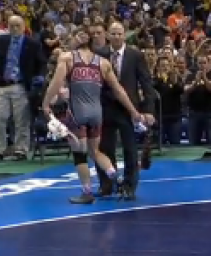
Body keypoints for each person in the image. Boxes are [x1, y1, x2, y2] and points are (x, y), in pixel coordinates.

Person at [41, 29, 153, 204]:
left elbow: (55, 84)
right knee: (96, 152)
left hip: (77, 113)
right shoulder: (103, 62)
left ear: (76, 42)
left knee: (80, 154)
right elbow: (119, 91)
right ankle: (118, 179)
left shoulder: (67, 58)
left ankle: (87, 193)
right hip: (96, 114)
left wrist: (46, 104)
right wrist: (133, 111)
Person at [94, 22, 156, 200]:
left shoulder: (135, 55)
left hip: (129, 109)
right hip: (105, 107)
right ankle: (106, 185)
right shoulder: (100, 55)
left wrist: (148, 110)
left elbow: (146, 82)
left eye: (119, 34)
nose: (116, 37)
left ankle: (129, 186)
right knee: (104, 148)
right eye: (112, 34)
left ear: (124, 35)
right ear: (108, 35)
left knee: (130, 148)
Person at [0, 15, 46, 161]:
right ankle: (1, 149)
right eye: (11, 25)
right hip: (2, 85)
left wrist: (39, 78)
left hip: (20, 84)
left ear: (23, 27)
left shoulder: (32, 44)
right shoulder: (2, 41)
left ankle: (21, 149)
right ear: (7, 26)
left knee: (21, 119)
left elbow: (42, 63)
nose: (14, 28)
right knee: (0, 118)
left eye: (17, 26)